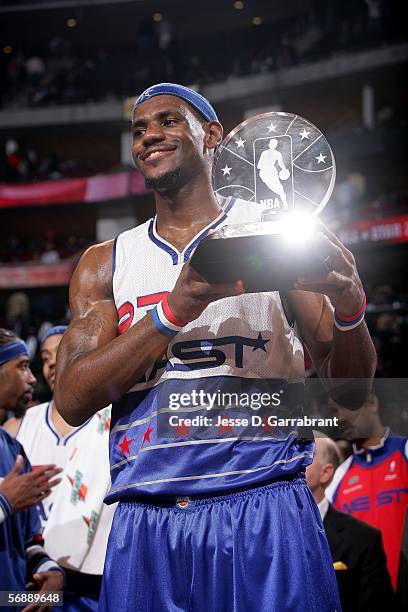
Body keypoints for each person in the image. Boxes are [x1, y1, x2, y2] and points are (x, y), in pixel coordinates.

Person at [55, 82, 377, 611]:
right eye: (139, 130)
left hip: (264, 506)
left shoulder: (272, 237)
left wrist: (350, 307)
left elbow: (348, 394)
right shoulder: (106, 262)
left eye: (168, 121)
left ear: (211, 134)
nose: (149, 137)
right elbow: (70, 399)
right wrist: (170, 312)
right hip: (147, 517)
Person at [17, 326, 115, 610]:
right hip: (33, 574)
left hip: (93, 581)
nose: (51, 364)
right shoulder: (22, 424)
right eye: (45, 358)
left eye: (59, 353)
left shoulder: (113, 417)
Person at [0, 329, 64, 598]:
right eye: (23, 367)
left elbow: (28, 539)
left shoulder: (14, 448)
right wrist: (4, 501)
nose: (32, 378)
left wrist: (51, 572)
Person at [327, 391, 408, 591]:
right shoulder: (338, 476)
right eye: (334, 411)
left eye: (344, 407)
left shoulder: (405, 451)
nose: (339, 417)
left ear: (371, 403)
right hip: (365, 597)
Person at [306, 436, 394, 611]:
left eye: (305, 455)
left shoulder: (363, 540)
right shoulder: (263, 531)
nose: (290, 462)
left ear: (326, 473)